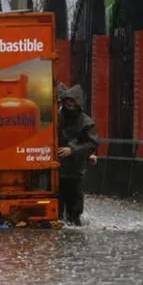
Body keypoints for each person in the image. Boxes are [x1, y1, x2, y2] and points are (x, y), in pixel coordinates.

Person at [56, 83, 98, 226]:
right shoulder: (56, 117)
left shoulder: (86, 122)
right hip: (56, 169)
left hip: (75, 170)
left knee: (74, 206)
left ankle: (73, 223)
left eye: (72, 101)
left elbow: (91, 143)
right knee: (57, 205)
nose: (69, 104)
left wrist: (72, 149)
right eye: (67, 100)